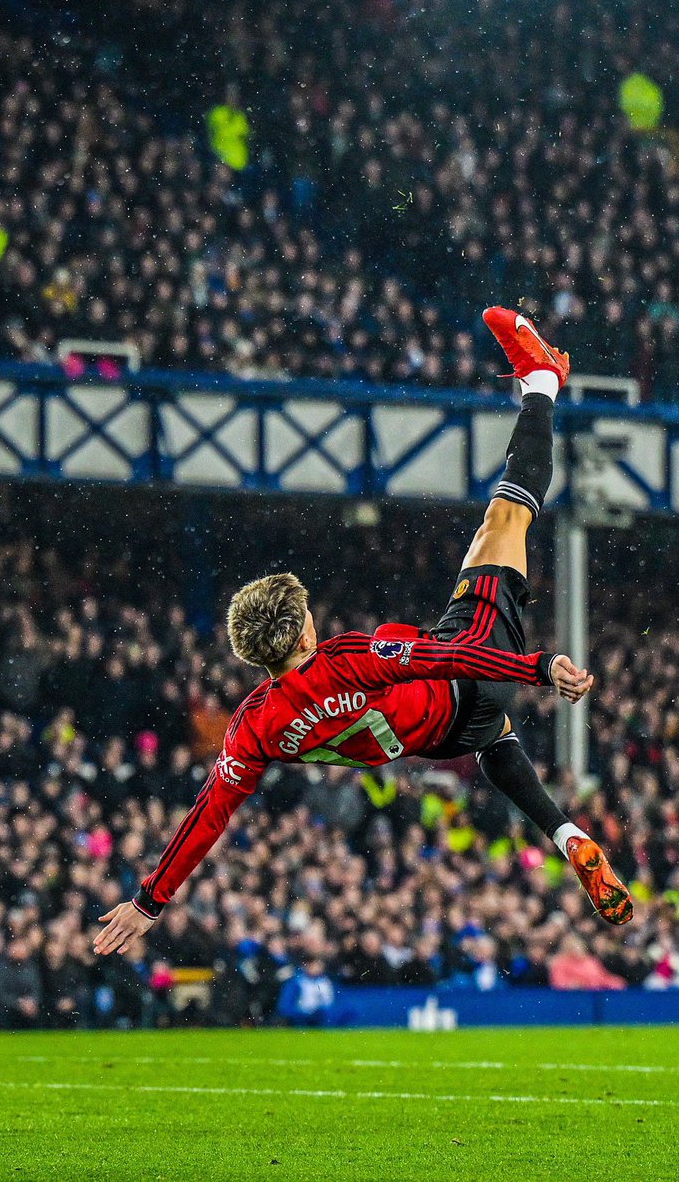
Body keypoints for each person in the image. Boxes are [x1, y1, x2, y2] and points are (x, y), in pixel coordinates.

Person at [94, 308, 633, 960]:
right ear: (298, 638)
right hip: (469, 675)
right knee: (506, 516)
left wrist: (149, 900)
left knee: (495, 738)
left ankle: (563, 832)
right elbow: (445, 652)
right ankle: (543, 382)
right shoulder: (344, 658)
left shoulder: (254, 726)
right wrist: (539, 667)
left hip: (437, 740)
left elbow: (209, 814)